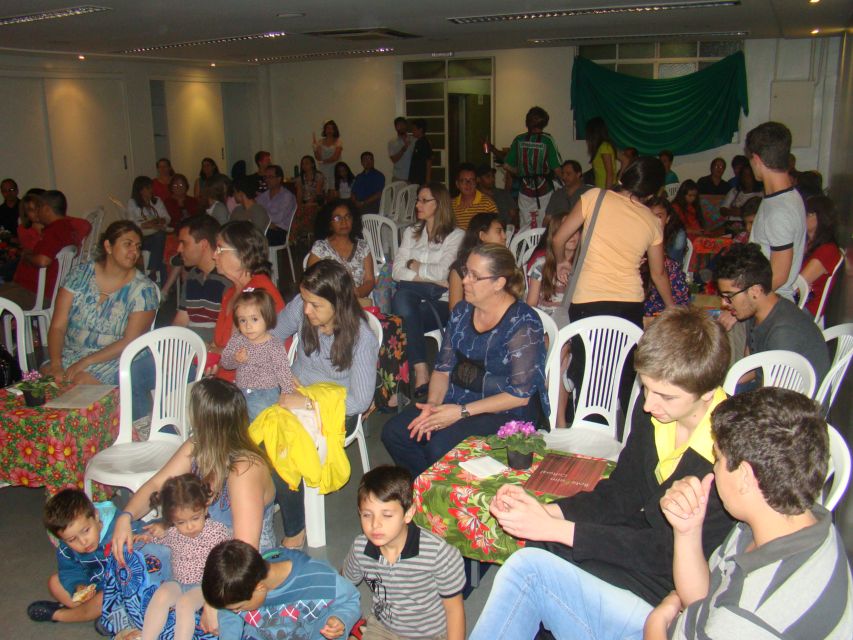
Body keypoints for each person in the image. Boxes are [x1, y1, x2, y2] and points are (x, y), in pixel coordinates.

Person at [468, 306, 736, 639]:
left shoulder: (729, 451)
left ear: (708, 393)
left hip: (669, 582)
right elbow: (621, 493)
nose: (648, 404)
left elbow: (670, 552)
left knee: (544, 562)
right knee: (540, 544)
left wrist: (562, 529)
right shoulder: (656, 412)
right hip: (635, 545)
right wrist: (549, 511)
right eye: (645, 388)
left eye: (666, 396)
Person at [645, 388, 853, 638]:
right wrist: (687, 530)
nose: (714, 468)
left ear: (744, 476)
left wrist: (656, 621)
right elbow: (704, 599)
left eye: (718, 458)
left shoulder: (750, 617)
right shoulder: (791, 519)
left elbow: (728, 620)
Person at [110, 378, 278, 634]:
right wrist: (126, 516)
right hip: (197, 545)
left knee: (181, 598)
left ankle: (155, 626)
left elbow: (243, 549)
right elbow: (156, 484)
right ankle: (145, 625)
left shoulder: (244, 469)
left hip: (236, 564)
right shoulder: (198, 446)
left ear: (201, 418)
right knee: (130, 547)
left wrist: (213, 599)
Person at [383, 243, 549, 477]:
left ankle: (441, 487)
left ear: (499, 283)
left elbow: (520, 396)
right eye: (465, 271)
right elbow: (442, 369)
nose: (464, 281)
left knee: (440, 446)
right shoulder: (462, 312)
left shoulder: (523, 323)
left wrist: (460, 412)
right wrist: (433, 405)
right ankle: (428, 489)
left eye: (474, 276)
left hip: (504, 411)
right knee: (396, 433)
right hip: (458, 398)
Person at [269, 259, 378, 547]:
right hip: (295, 392)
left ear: (338, 304)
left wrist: (307, 404)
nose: (306, 310)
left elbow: (360, 400)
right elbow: (270, 338)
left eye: (315, 305)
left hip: (336, 407)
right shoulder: (302, 307)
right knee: (247, 423)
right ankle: (273, 494)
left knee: (285, 437)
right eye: (305, 300)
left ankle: (296, 527)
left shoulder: (361, 338)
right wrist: (282, 376)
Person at [343, 466, 466, 640]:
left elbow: (454, 610)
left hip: (429, 635)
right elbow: (343, 584)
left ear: (408, 514)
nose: (375, 524)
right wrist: (338, 617)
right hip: (382, 629)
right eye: (367, 515)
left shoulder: (438, 554)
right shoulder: (360, 548)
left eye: (387, 515)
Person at [553, 156, 674, 328]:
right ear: (651, 193)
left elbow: (558, 239)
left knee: (587, 347)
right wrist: (671, 307)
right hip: (629, 303)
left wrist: (561, 262)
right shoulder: (652, 221)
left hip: (587, 299)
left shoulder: (594, 197)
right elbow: (658, 273)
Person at [43, 220, 157, 385]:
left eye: (138, 246)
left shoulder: (143, 290)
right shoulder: (80, 275)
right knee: (46, 379)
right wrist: (55, 364)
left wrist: (86, 362)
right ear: (108, 246)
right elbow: (57, 326)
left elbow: (130, 341)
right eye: (128, 244)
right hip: (73, 353)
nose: (135, 252)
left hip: (118, 357)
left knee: (80, 382)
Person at [715, 242, 830, 384]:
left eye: (729, 296)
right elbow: (752, 367)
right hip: (770, 388)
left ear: (755, 291)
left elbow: (775, 394)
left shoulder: (783, 333)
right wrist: (718, 383)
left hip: (790, 396)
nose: (724, 303)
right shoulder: (757, 311)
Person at [134, 474, 230, 640]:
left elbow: (228, 560)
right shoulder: (172, 532)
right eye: (181, 522)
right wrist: (145, 537)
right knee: (162, 593)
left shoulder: (217, 532)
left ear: (205, 509)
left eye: (195, 518)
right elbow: (156, 539)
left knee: (184, 604)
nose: (189, 526)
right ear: (172, 520)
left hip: (204, 586)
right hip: (178, 582)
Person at [201, 540, 361, 640]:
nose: (237, 611)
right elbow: (229, 613)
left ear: (259, 588)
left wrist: (340, 619)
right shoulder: (244, 581)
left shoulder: (321, 579)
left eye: (239, 608)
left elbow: (352, 600)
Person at [391, 182, 464, 397]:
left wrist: (413, 265)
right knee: (404, 301)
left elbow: (444, 272)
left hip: (442, 302)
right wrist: (427, 280)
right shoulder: (411, 232)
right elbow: (396, 271)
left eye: (424, 200)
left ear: (439, 204)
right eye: (418, 200)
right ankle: (421, 370)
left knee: (402, 310)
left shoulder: (456, 235)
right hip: (417, 299)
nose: (417, 205)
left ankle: (409, 377)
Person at [27, 489, 131, 625]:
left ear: (96, 516)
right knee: (54, 583)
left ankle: (60, 615)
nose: (83, 542)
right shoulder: (66, 548)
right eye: (71, 539)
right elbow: (69, 571)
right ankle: (102, 614)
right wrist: (78, 586)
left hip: (118, 588)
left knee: (106, 597)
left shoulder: (117, 528)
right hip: (93, 585)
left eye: (86, 531)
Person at [211, 221, 285, 384]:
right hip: (225, 380)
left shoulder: (258, 294)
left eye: (220, 249)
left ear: (243, 253)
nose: (214, 255)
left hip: (251, 386)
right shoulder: (231, 292)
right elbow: (221, 345)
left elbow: (245, 353)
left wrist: (211, 353)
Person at [746, 122, 807, 302]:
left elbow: (778, 276)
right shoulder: (787, 196)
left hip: (769, 304)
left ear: (756, 160)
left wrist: (742, 303)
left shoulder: (779, 211)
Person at [0, 189, 88, 309]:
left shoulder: (54, 231)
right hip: (33, 288)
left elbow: (43, 261)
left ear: (46, 209)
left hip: (37, 293)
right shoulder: (66, 227)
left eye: (39, 208)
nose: (37, 212)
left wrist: (26, 256)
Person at [221, 288, 297, 422]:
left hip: (266, 393)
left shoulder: (273, 345)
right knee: (230, 416)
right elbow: (225, 363)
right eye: (243, 320)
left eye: (254, 319)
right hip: (240, 390)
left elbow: (283, 371)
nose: (248, 326)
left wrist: (287, 394)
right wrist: (236, 359)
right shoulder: (238, 339)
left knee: (260, 421)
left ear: (267, 318)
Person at [171, 215, 230, 341]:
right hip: (189, 345)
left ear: (203, 244)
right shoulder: (193, 275)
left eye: (184, 243)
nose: (179, 249)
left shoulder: (228, 279)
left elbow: (228, 335)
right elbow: (181, 321)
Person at [505, 106, 562, 230]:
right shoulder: (547, 140)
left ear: (527, 122)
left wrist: (519, 172)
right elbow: (557, 168)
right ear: (544, 122)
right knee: (544, 226)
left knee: (525, 225)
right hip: (544, 190)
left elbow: (507, 165)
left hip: (525, 190)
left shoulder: (519, 139)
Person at [307, 200, 374, 302]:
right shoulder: (320, 248)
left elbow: (369, 280)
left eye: (347, 217)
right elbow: (311, 281)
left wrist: (356, 294)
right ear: (329, 223)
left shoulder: (363, 246)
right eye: (337, 218)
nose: (344, 222)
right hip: (329, 301)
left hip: (357, 301)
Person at [644, 197, 690, 322]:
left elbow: (681, 301)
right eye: (650, 216)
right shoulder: (635, 253)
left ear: (668, 218)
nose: (654, 221)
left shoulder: (671, 261)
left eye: (659, 216)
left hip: (665, 317)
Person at [447, 212, 506, 309]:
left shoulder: (504, 264)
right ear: (482, 236)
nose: (504, 236)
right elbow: (455, 311)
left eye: (503, 231)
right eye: (499, 231)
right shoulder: (460, 268)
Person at [526, 210, 577, 313]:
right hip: (546, 317)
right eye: (565, 231)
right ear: (554, 236)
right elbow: (531, 304)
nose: (572, 235)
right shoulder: (541, 265)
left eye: (575, 230)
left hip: (574, 319)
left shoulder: (583, 265)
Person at [800, 195, 841, 318]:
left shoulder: (828, 250)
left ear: (821, 218)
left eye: (808, 214)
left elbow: (799, 283)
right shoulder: (807, 243)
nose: (802, 216)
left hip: (806, 307)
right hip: (798, 302)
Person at [127, 175, 169, 282]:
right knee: (161, 240)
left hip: (157, 236)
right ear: (140, 190)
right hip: (143, 238)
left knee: (161, 245)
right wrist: (146, 224)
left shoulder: (156, 201)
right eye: (148, 188)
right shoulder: (133, 203)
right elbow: (131, 222)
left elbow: (167, 217)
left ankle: (154, 274)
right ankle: (157, 275)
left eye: (151, 187)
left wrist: (160, 220)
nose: (151, 190)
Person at [257, 164, 297, 247]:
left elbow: (278, 218)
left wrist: (263, 220)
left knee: (255, 237)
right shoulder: (263, 196)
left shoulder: (287, 196)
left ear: (279, 179)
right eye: (265, 177)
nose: (267, 180)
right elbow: (255, 210)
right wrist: (267, 223)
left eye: (270, 177)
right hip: (266, 228)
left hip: (280, 232)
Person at [451, 162, 497, 230]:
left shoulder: (488, 204)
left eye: (471, 180)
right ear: (457, 184)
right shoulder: (451, 206)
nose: (468, 184)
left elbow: (495, 229)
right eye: (464, 181)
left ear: (476, 182)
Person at [585, 116, 616, 190]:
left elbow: (610, 173)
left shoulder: (604, 147)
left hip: (605, 189)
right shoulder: (600, 147)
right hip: (600, 187)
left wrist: (606, 192)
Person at [313, 120, 342, 190]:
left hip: (334, 168)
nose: (329, 130)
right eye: (328, 128)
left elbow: (335, 157)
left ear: (335, 130)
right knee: (323, 188)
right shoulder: (320, 142)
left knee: (334, 189)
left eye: (331, 128)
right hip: (323, 169)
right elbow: (318, 158)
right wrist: (315, 148)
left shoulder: (338, 141)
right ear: (325, 130)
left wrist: (323, 161)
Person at [388, 117, 414, 183]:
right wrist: (403, 150)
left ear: (406, 126)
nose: (401, 127)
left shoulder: (413, 140)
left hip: (412, 177)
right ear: (395, 127)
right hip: (398, 178)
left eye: (403, 124)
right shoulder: (392, 142)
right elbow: (394, 160)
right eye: (399, 125)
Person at [408, 118, 433, 186]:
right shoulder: (418, 142)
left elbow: (428, 161)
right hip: (416, 179)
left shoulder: (424, 142)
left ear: (420, 130)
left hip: (421, 179)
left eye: (414, 129)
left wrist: (427, 180)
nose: (412, 131)